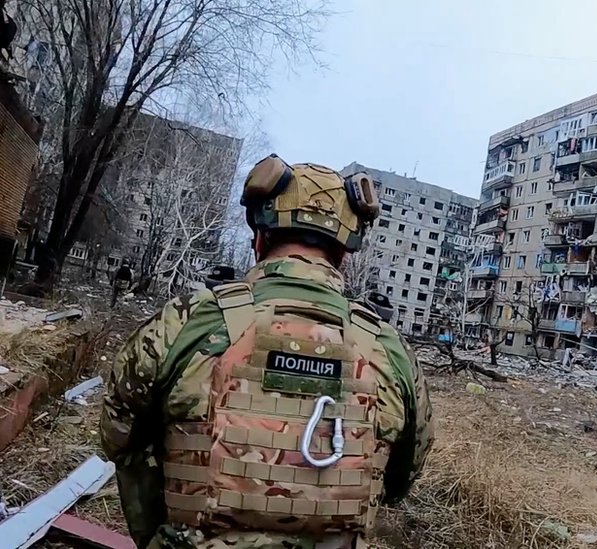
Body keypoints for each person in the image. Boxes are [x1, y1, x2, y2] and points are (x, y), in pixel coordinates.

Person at [100, 155, 434, 549]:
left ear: (260, 238)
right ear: (343, 254)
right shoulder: (389, 350)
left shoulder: (188, 322)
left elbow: (119, 438)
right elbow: (400, 479)